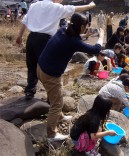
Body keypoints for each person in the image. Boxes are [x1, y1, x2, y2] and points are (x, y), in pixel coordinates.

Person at [37, 13, 104, 142]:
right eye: (85, 27)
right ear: (82, 26)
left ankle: (60, 116)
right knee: (57, 103)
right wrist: (101, 36)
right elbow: (96, 49)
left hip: (41, 67)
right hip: (50, 74)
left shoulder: (63, 30)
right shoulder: (73, 41)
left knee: (57, 95)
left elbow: (75, 38)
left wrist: (86, 35)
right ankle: (51, 134)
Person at [16, 0, 96, 100]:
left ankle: (29, 92)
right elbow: (74, 9)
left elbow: (25, 21)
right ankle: (51, 96)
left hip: (31, 38)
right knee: (47, 68)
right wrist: (89, 6)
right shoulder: (55, 7)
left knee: (31, 66)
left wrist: (19, 36)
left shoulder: (34, 5)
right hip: (44, 40)